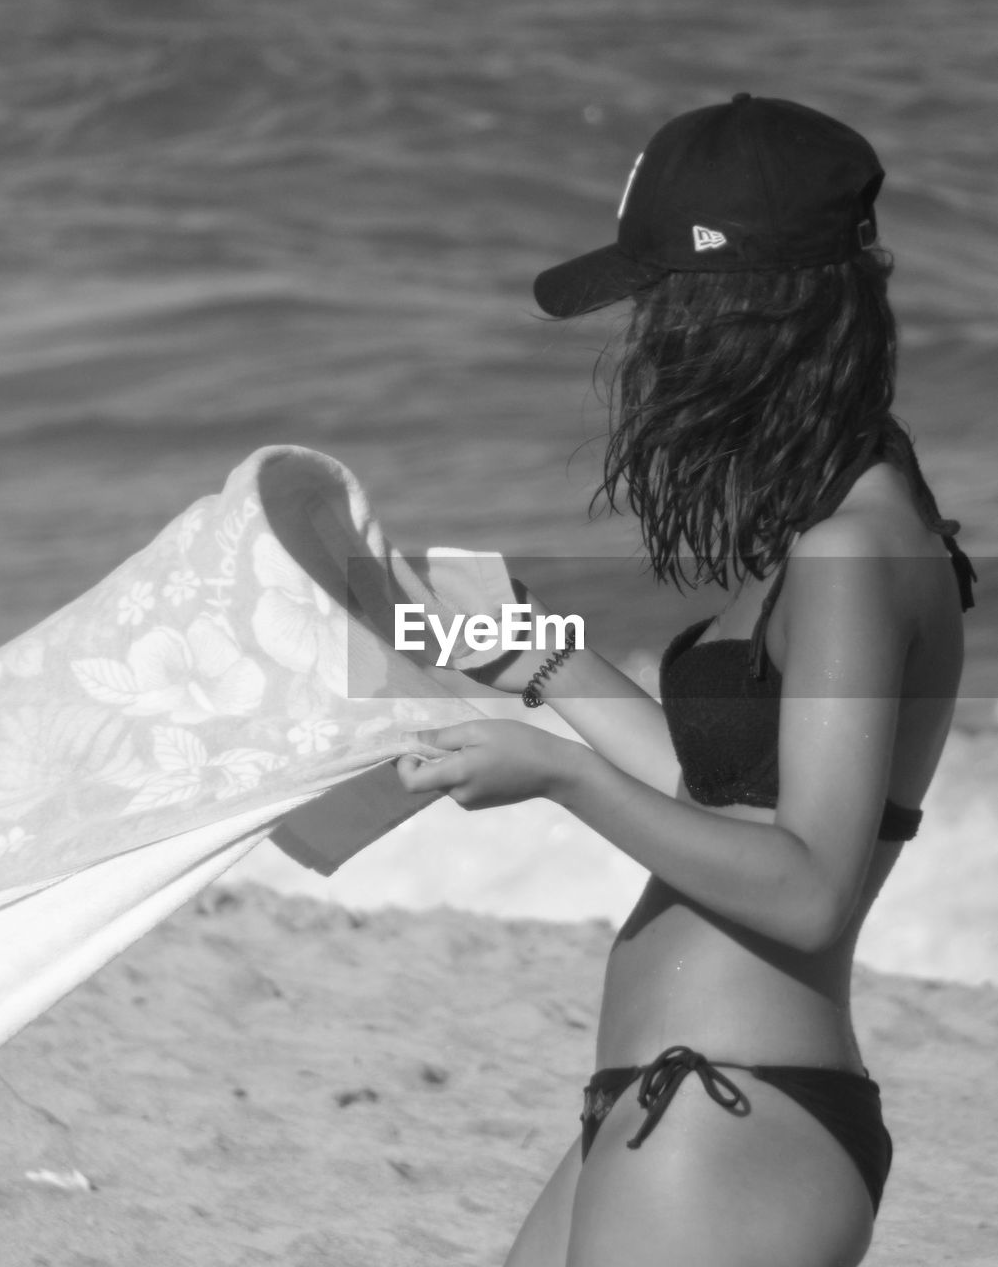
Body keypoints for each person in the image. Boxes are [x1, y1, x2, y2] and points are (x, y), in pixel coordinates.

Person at [395, 93, 975, 1267]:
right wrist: (537, 654)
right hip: (674, 1104)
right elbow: (725, 802)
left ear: (743, 310)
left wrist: (558, 777)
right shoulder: (827, 523)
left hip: (731, 1111)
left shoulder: (854, 550)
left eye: (661, 302)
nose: (644, 342)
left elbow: (807, 886)